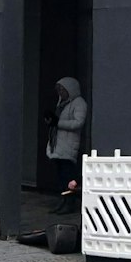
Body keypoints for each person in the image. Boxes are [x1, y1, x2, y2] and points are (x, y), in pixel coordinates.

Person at [43, 77, 88, 212]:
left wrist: (58, 123)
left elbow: (78, 123)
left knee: (68, 177)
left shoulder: (79, 103)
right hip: (58, 145)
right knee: (61, 178)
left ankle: (70, 203)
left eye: (63, 89)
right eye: (59, 90)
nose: (60, 93)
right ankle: (63, 201)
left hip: (69, 145)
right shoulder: (62, 103)